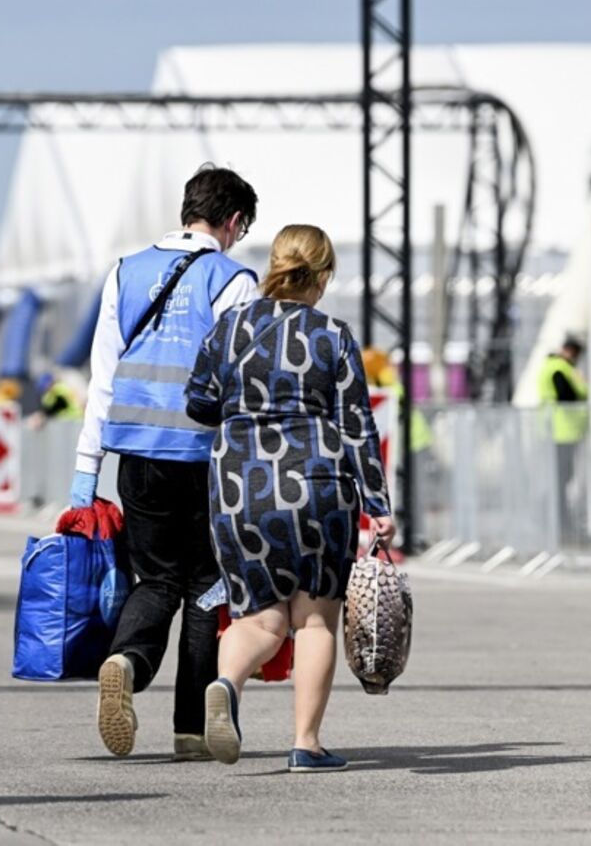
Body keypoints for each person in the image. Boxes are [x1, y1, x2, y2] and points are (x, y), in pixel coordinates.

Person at [184, 224, 394, 774]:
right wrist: (378, 503)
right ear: (322, 276)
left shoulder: (230, 328)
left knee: (257, 621)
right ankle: (306, 743)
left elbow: (198, 404)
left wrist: (241, 409)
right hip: (316, 486)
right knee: (315, 622)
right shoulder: (333, 335)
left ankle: (227, 685)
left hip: (241, 488)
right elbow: (357, 426)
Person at [71, 164, 260, 761]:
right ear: (233, 222)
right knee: (207, 585)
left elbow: (102, 375)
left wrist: (85, 468)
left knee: (155, 579)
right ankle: (191, 729)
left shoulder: (125, 272)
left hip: (136, 454)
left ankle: (126, 660)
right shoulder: (232, 280)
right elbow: (241, 379)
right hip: (206, 457)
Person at [537, 334, 589, 544]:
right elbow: (567, 397)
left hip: (561, 433)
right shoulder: (559, 368)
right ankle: (560, 524)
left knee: (562, 481)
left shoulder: (554, 366)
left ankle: (560, 522)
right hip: (562, 433)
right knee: (561, 481)